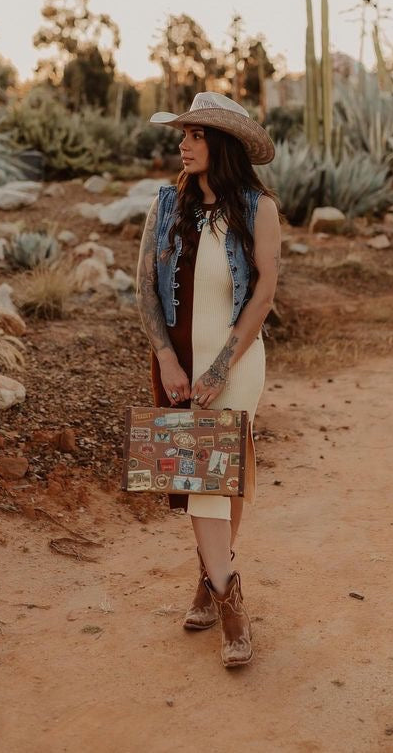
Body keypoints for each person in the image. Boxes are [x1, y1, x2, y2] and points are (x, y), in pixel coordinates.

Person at [135, 91, 281, 668]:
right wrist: (170, 362)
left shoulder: (257, 209)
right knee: (213, 474)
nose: (183, 143)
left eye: (194, 134)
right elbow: (146, 288)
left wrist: (221, 366)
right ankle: (213, 578)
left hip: (237, 361)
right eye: (184, 134)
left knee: (213, 474)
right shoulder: (165, 206)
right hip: (178, 362)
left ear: (220, 143)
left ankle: (228, 603)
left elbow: (264, 292)